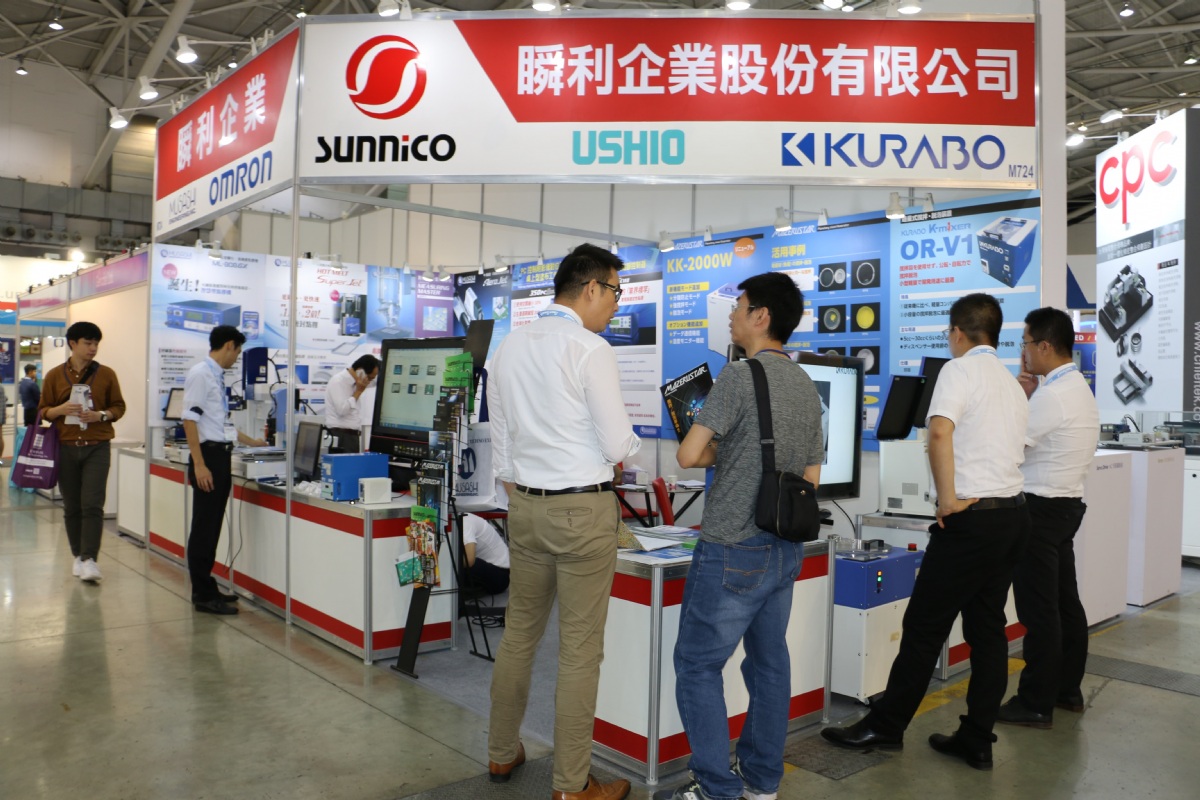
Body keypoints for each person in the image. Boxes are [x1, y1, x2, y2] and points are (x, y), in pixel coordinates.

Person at [821, 293, 1030, 771]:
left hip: (971, 522)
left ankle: (886, 726)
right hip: (1012, 517)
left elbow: (939, 432)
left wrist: (947, 498)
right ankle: (977, 738)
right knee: (988, 629)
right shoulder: (1011, 382)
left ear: (957, 332)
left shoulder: (958, 370)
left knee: (923, 628)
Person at [656, 273, 824, 800]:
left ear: (761, 316)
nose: (731, 315)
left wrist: (724, 453)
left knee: (697, 665)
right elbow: (811, 477)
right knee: (770, 665)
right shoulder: (805, 383)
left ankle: (715, 788)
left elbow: (689, 455)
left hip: (732, 544)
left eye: (739, 306)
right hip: (785, 546)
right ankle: (761, 783)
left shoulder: (737, 375)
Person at [487, 242, 640, 800]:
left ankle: (501, 752)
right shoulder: (590, 349)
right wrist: (630, 450)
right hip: (582, 511)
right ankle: (572, 786)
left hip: (525, 509)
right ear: (592, 287)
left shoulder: (509, 347)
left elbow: (502, 451)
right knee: (579, 650)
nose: (617, 304)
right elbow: (617, 444)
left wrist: (526, 492)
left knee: (519, 635)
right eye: (616, 291)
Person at [997, 307, 1099, 728]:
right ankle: (1066, 690)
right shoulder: (1073, 387)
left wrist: (1019, 398)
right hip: (1066, 507)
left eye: (1024, 343)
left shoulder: (1052, 396)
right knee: (1063, 602)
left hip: (1040, 510)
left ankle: (1035, 702)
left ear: (1043, 346)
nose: (1022, 352)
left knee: (1039, 610)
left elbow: (1010, 443)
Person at [182, 325, 267, 615]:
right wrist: (199, 464)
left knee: (213, 526)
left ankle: (208, 586)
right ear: (229, 345)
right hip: (208, 458)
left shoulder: (216, 376)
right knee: (204, 529)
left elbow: (223, 425)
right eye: (238, 351)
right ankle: (202, 595)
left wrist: (254, 443)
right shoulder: (200, 374)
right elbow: (189, 420)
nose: (237, 358)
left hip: (220, 457)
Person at [38, 322, 126, 583]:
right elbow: (43, 411)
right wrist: (60, 410)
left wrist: (101, 415)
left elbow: (119, 407)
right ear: (73, 344)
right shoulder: (54, 376)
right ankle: (77, 555)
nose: (93, 348)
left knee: (93, 504)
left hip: (97, 446)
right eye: (88, 343)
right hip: (65, 447)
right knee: (72, 506)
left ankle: (90, 559)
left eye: (96, 343)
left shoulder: (107, 374)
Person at [325, 354, 379, 453]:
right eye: (369, 378)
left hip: (351, 436)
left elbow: (375, 383)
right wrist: (358, 392)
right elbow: (342, 410)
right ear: (360, 371)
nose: (369, 382)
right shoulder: (338, 382)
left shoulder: (356, 382)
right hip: (341, 436)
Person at [462, 512, 510, 597]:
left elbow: (469, 561)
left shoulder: (465, 522)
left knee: (462, 562)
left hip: (500, 575)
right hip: (490, 568)